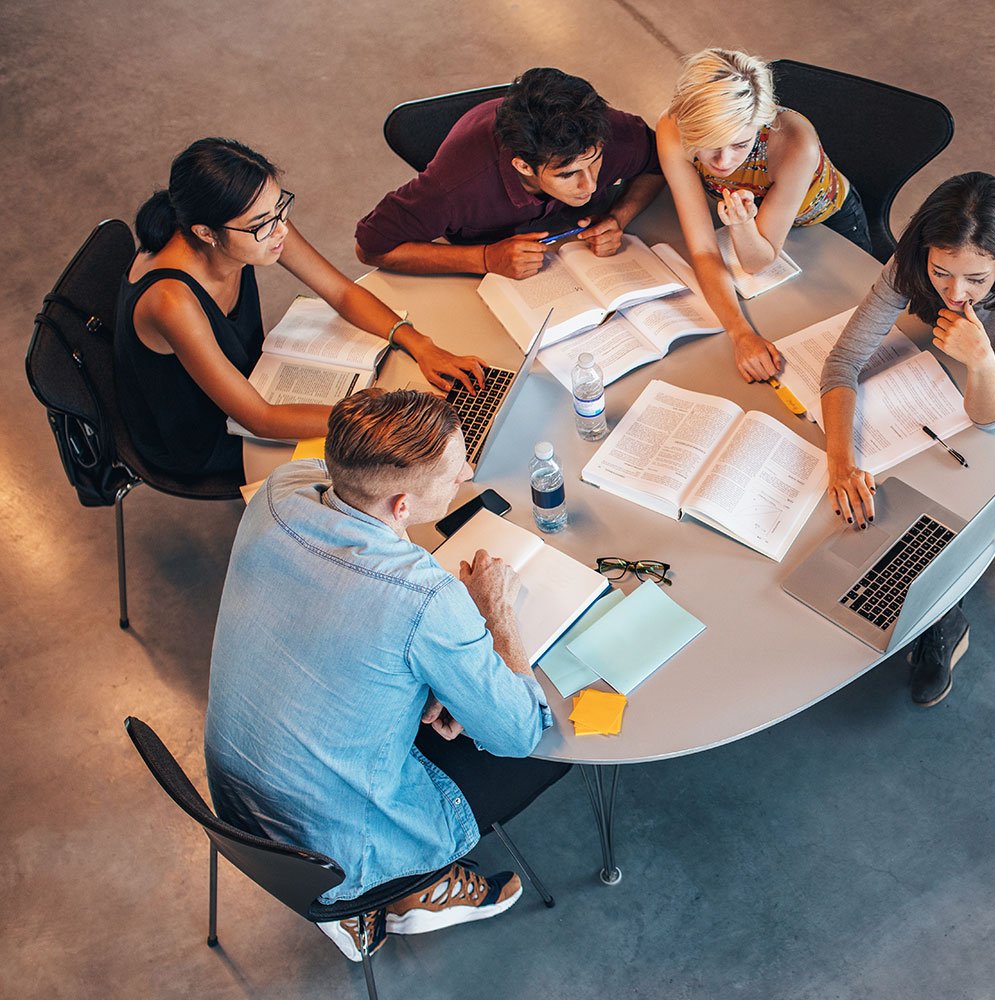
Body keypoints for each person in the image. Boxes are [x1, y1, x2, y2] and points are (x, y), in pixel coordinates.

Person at [204, 388, 570, 962]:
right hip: (336, 842)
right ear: (402, 507)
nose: (468, 472)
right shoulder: (426, 599)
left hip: (237, 800)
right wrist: (495, 615)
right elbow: (520, 733)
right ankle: (407, 887)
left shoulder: (281, 489)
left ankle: (383, 892)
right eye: (455, 473)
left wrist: (426, 679)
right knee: (558, 752)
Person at [819, 173, 995, 706]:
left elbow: (991, 418)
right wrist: (840, 461)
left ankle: (941, 616)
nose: (955, 294)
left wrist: (979, 359)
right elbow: (842, 362)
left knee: (942, 498)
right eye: (941, 274)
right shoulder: (911, 266)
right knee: (878, 475)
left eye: (977, 280)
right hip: (937, 380)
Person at [116, 137, 484, 483]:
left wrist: (419, 344)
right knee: (379, 467)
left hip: (251, 378)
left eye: (279, 209)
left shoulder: (256, 221)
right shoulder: (171, 301)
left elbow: (340, 292)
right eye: (262, 225)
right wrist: (379, 412)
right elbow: (257, 418)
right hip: (203, 431)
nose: (279, 231)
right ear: (206, 233)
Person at [656, 48, 872, 382]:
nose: (724, 161)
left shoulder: (795, 143)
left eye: (740, 145)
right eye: (710, 144)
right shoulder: (673, 131)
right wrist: (740, 333)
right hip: (753, 221)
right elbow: (703, 249)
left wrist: (742, 226)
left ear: (761, 122)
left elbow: (757, 261)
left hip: (827, 222)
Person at [356, 67, 666, 277]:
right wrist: (485, 259)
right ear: (523, 166)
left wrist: (618, 218)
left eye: (595, 161)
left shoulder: (609, 133)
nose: (590, 184)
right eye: (567, 174)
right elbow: (371, 248)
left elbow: (659, 164)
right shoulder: (456, 185)